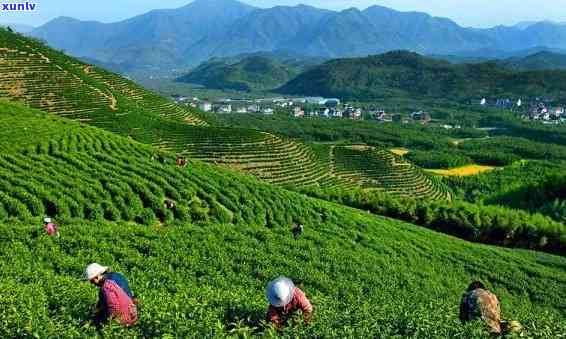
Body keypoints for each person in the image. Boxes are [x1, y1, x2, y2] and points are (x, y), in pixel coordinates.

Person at [84, 263, 138, 327]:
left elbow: (114, 307)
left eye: (92, 281)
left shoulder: (107, 286)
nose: (92, 284)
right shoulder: (117, 275)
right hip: (132, 312)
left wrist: (108, 322)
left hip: (124, 318)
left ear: (97, 277)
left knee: (97, 322)